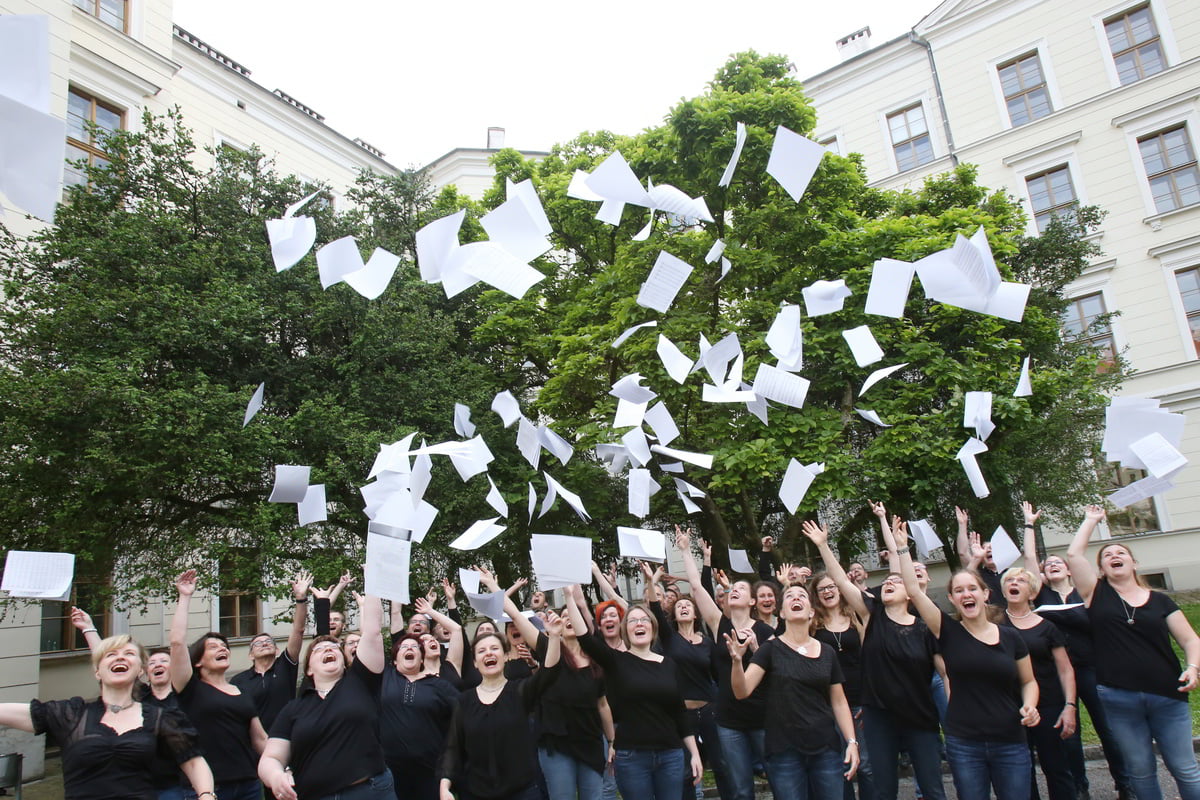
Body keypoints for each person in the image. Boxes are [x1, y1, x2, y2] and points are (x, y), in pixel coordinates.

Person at [893, 517, 1039, 800]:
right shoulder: (946, 632)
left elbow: (1029, 681)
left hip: (1010, 740)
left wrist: (1030, 706)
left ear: (985, 594)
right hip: (965, 742)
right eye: (958, 591)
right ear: (952, 599)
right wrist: (902, 549)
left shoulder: (1010, 638)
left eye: (972, 588)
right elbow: (912, 591)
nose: (966, 594)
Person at [1064, 504, 1200, 800]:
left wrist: (1192, 668)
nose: (1114, 556)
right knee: (1140, 770)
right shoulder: (1096, 594)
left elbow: (1192, 640)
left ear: (1134, 563)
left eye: (1120, 552)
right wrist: (1090, 520)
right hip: (1119, 698)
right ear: (1100, 569)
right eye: (1107, 555)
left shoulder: (1161, 602)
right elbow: (1074, 555)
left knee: (1185, 767)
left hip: (1167, 696)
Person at [804, 518, 944, 800]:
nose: (890, 583)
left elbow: (947, 673)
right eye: (887, 581)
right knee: (882, 788)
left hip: (919, 715)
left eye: (897, 581)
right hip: (879, 716)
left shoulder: (925, 627)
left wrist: (902, 549)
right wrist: (822, 546)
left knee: (932, 788)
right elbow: (841, 580)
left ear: (910, 593)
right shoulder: (871, 614)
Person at [0, 634, 215, 800]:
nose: (120, 656)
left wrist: (206, 795)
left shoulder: (161, 717)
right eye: (111, 654)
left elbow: (194, 763)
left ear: (140, 669)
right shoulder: (71, 714)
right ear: (97, 672)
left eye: (129, 653)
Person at [1021, 501, 1132, 800]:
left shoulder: (1085, 593)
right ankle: (1079, 786)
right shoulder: (1039, 595)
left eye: (1059, 562)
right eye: (1048, 564)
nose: (1052, 564)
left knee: (1108, 731)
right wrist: (1029, 523)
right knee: (1067, 734)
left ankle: (1125, 784)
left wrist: (1090, 521)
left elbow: (1077, 554)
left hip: (1092, 670)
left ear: (1070, 570)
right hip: (1057, 675)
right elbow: (1030, 556)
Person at [567, 584, 702, 800]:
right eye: (632, 621)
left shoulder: (669, 665)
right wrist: (569, 597)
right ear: (625, 630)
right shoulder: (616, 661)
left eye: (644, 620)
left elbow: (680, 712)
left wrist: (694, 754)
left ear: (653, 628)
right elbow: (584, 638)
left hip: (671, 755)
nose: (639, 624)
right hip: (632, 756)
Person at [726, 583, 859, 800]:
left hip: (825, 747)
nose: (796, 599)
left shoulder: (827, 652)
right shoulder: (770, 649)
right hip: (784, 750)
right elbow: (742, 691)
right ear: (782, 612)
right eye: (789, 596)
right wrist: (737, 662)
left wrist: (852, 742)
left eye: (802, 596)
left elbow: (839, 702)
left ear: (811, 611)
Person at [259, 591, 393, 800]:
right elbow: (271, 757)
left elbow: (373, 632)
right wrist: (275, 775)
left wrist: (374, 583)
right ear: (309, 669)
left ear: (344, 660)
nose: (328, 649)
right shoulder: (294, 709)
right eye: (319, 649)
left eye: (333, 647)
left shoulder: (361, 683)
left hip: (369, 792)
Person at [492, 572, 612, 800]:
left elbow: (603, 704)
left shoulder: (596, 661)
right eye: (563, 615)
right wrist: (492, 585)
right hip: (556, 745)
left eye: (572, 615)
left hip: (590, 741)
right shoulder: (549, 648)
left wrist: (613, 742)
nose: (568, 618)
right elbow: (516, 616)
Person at [678, 527, 772, 800]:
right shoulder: (721, 625)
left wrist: (755, 648)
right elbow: (697, 588)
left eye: (741, 589)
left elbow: (777, 673)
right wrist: (685, 550)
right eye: (732, 588)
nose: (733, 591)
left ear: (753, 601)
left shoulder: (765, 632)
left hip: (763, 718)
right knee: (740, 787)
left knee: (778, 778)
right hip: (729, 720)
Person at [439, 607, 566, 800]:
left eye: (494, 648)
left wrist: (555, 636)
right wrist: (445, 785)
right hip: (476, 793)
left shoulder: (520, 691)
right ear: (475, 662)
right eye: (481, 651)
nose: (488, 653)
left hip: (523, 791)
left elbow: (550, 672)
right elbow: (453, 747)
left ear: (506, 656)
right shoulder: (463, 701)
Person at [170, 569, 269, 800]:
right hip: (207, 789)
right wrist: (185, 597)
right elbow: (176, 643)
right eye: (213, 647)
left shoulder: (240, 690)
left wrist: (282, 768)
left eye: (224, 646)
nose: (222, 648)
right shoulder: (189, 688)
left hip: (249, 785)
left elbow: (260, 739)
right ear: (196, 661)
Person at [641, 561, 727, 800]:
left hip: (709, 711)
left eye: (688, 605)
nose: (684, 608)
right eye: (680, 606)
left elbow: (718, 678)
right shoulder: (669, 639)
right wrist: (651, 581)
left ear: (696, 613)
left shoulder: (708, 643)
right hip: (682, 713)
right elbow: (656, 608)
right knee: (686, 771)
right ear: (675, 615)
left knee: (721, 765)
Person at [1000, 565, 1076, 800]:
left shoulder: (1047, 626)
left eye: (1021, 580)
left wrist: (1070, 707)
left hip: (1048, 703)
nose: (1014, 583)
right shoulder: (995, 625)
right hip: (1009, 705)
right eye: (1009, 580)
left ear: (1032, 592)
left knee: (1056, 766)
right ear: (1003, 590)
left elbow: (1065, 669)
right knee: (1020, 771)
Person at [810, 571, 876, 800]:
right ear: (816, 596)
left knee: (866, 765)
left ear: (840, 589)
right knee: (840, 765)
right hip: (828, 704)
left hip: (860, 700)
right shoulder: (813, 625)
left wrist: (871, 700)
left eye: (832, 587)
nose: (828, 592)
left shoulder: (856, 617)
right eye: (822, 589)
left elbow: (870, 660)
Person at [382, 632, 460, 800]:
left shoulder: (439, 685)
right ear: (395, 660)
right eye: (404, 647)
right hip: (389, 774)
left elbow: (465, 713)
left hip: (429, 773)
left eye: (415, 647)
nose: (409, 648)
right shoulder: (384, 678)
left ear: (422, 659)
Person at [231, 572, 311, 732]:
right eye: (258, 643)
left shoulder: (285, 667)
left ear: (276, 650)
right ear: (251, 655)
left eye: (269, 642)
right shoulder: (239, 681)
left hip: (285, 736)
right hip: (252, 741)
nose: (264, 644)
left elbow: (298, 630)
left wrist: (301, 598)